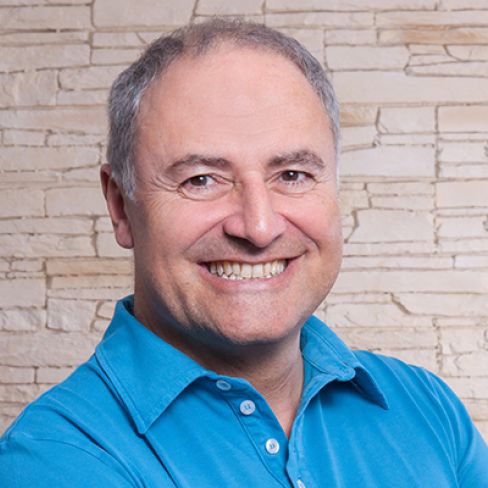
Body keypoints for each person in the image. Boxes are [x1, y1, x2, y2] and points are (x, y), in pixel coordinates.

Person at [0, 18, 487, 487]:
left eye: (292, 175)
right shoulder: (55, 457)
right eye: (201, 180)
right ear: (120, 207)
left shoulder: (427, 409)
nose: (258, 227)